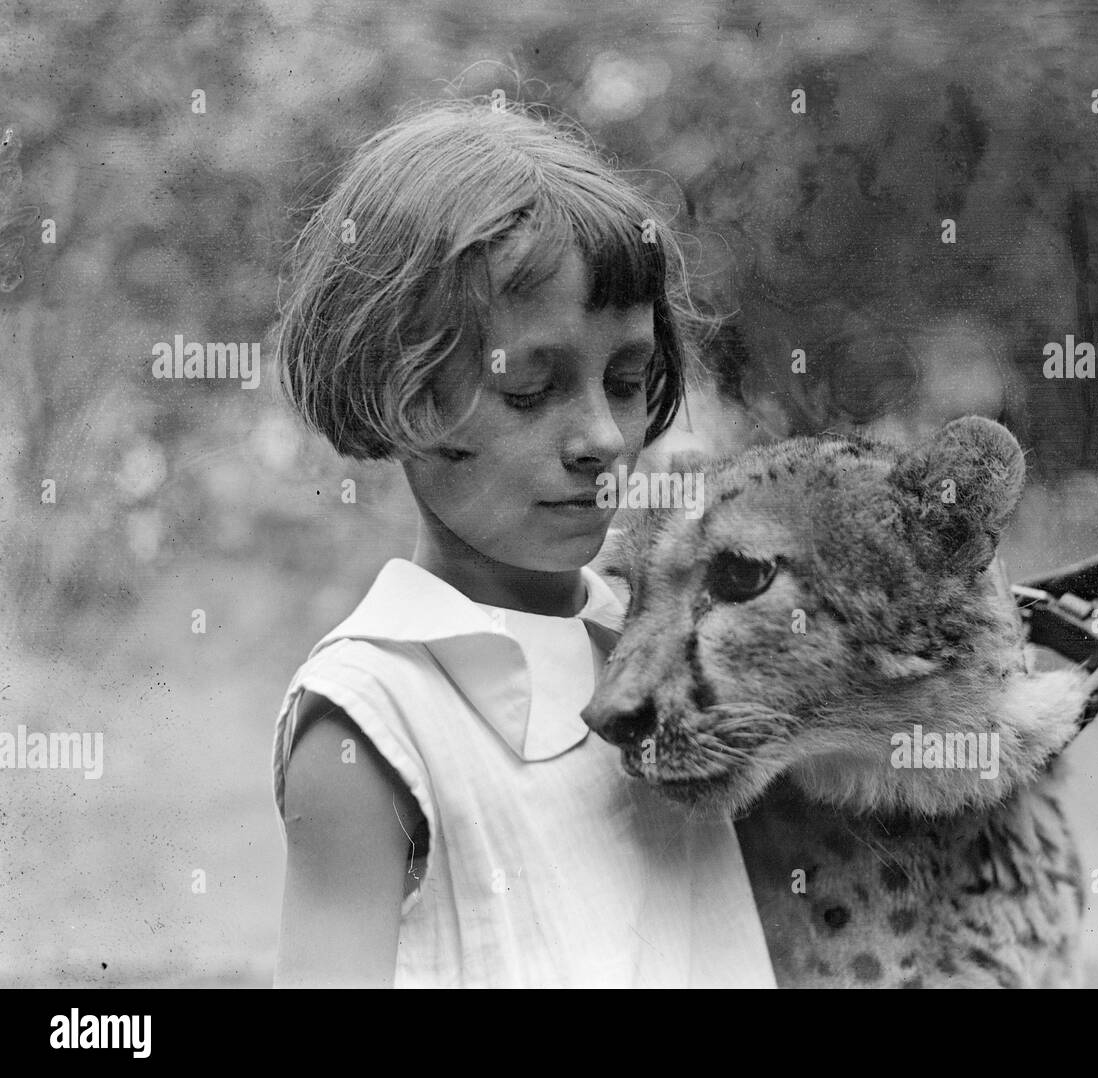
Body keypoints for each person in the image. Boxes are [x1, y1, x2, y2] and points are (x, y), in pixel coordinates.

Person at [269, 98, 775, 988]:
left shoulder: (673, 642)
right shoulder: (372, 717)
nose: (604, 438)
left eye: (626, 381)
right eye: (532, 391)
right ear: (408, 399)